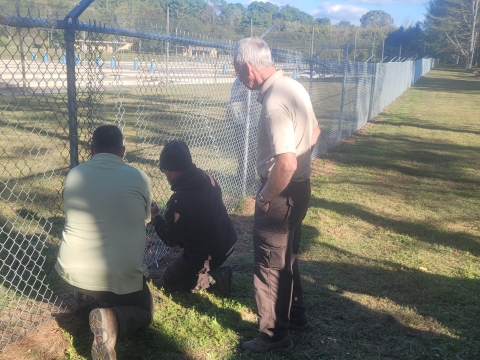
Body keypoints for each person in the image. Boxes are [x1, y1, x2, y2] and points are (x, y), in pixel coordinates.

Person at [233, 37, 321, 352]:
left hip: (281, 193)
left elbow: (285, 162)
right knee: (287, 259)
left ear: (247, 66)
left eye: (236, 71)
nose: (239, 79)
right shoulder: (293, 87)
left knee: (269, 266)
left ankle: (274, 337)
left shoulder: (273, 102)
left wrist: (267, 196)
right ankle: (296, 317)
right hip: (300, 189)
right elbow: (315, 131)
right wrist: (297, 167)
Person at [55, 125, 154, 360]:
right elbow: (145, 220)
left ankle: (95, 301)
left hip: (72, 271)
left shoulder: (74, 174)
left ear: (91, 150)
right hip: (118, 276)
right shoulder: (139, 177)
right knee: (146, 310)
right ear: (122, 151)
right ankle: (111, 319)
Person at [150, 140, 237, 295]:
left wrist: (156, 217)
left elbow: (171, 239)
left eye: (165, 171)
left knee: (167, 282)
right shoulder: (206, 176)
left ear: (175, 171)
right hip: (227, 240)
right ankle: (207, 270)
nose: (165, 175)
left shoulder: (180, 200)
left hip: (209, 253)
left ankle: (215, 277)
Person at [226, 78, 261, 191]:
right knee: (241, 151)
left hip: (251, 122)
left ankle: (248, 179)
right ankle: (242, 177)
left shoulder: (249, 80)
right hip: (239, 121)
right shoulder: (238, 80)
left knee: (250, 152)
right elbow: (233, 99)